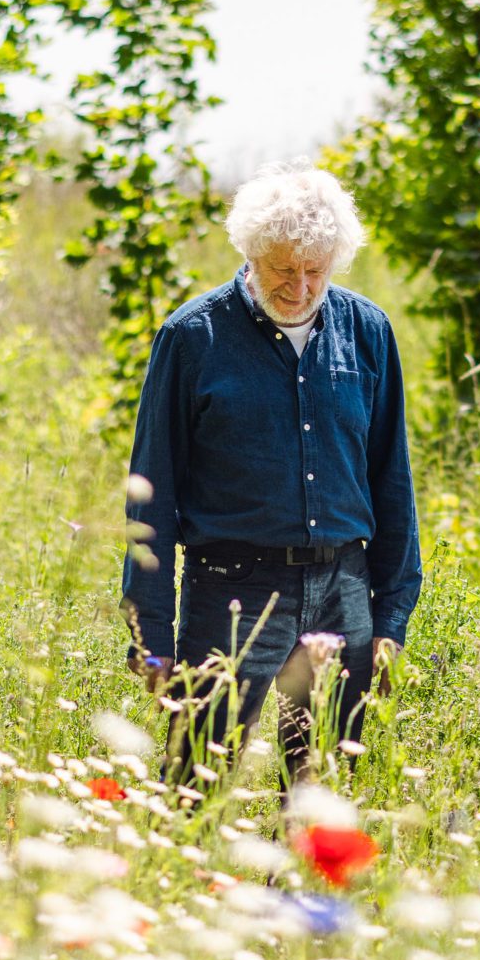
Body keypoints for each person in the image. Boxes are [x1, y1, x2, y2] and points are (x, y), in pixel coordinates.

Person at [121, 166, 421, 786]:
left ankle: (300, 889)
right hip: (231, 594)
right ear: (252, 253)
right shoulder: (193, 336)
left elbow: (392, 479)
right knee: (195, 786)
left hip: (343, 593)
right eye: (285, 268)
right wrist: (150, 633)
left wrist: (391, 617)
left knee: (321, 797)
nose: (301, 285)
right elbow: (152, 489)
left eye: (317, 270)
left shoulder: (367, 331)